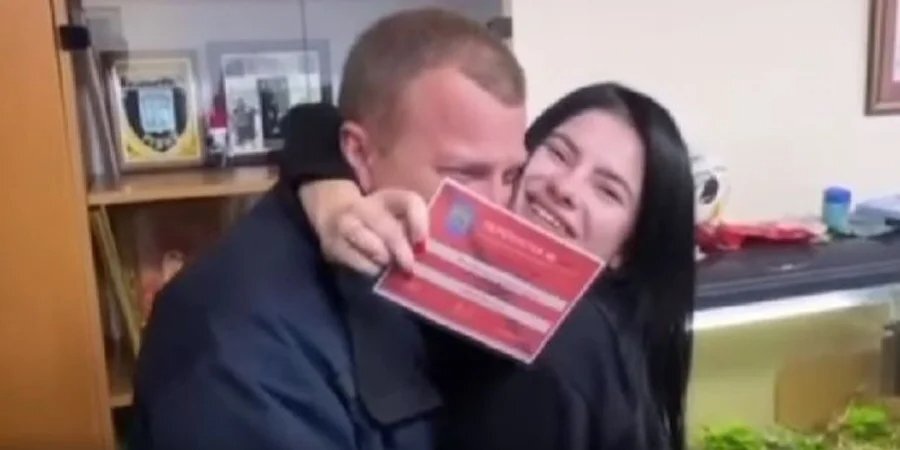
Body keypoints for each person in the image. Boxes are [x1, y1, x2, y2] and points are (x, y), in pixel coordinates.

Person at [130, 8, 527, 450]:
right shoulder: (238, 340)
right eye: (465, 175)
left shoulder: (435, 267)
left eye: (511, 176)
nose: (498, 212)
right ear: (358, 153)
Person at [284, 83, 696, 450]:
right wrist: (334, 201)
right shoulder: (472, 278)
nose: (565, 188)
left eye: (607, 191)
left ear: (628, 247)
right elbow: (312, 122)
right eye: (558, 153)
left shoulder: (558, 352)